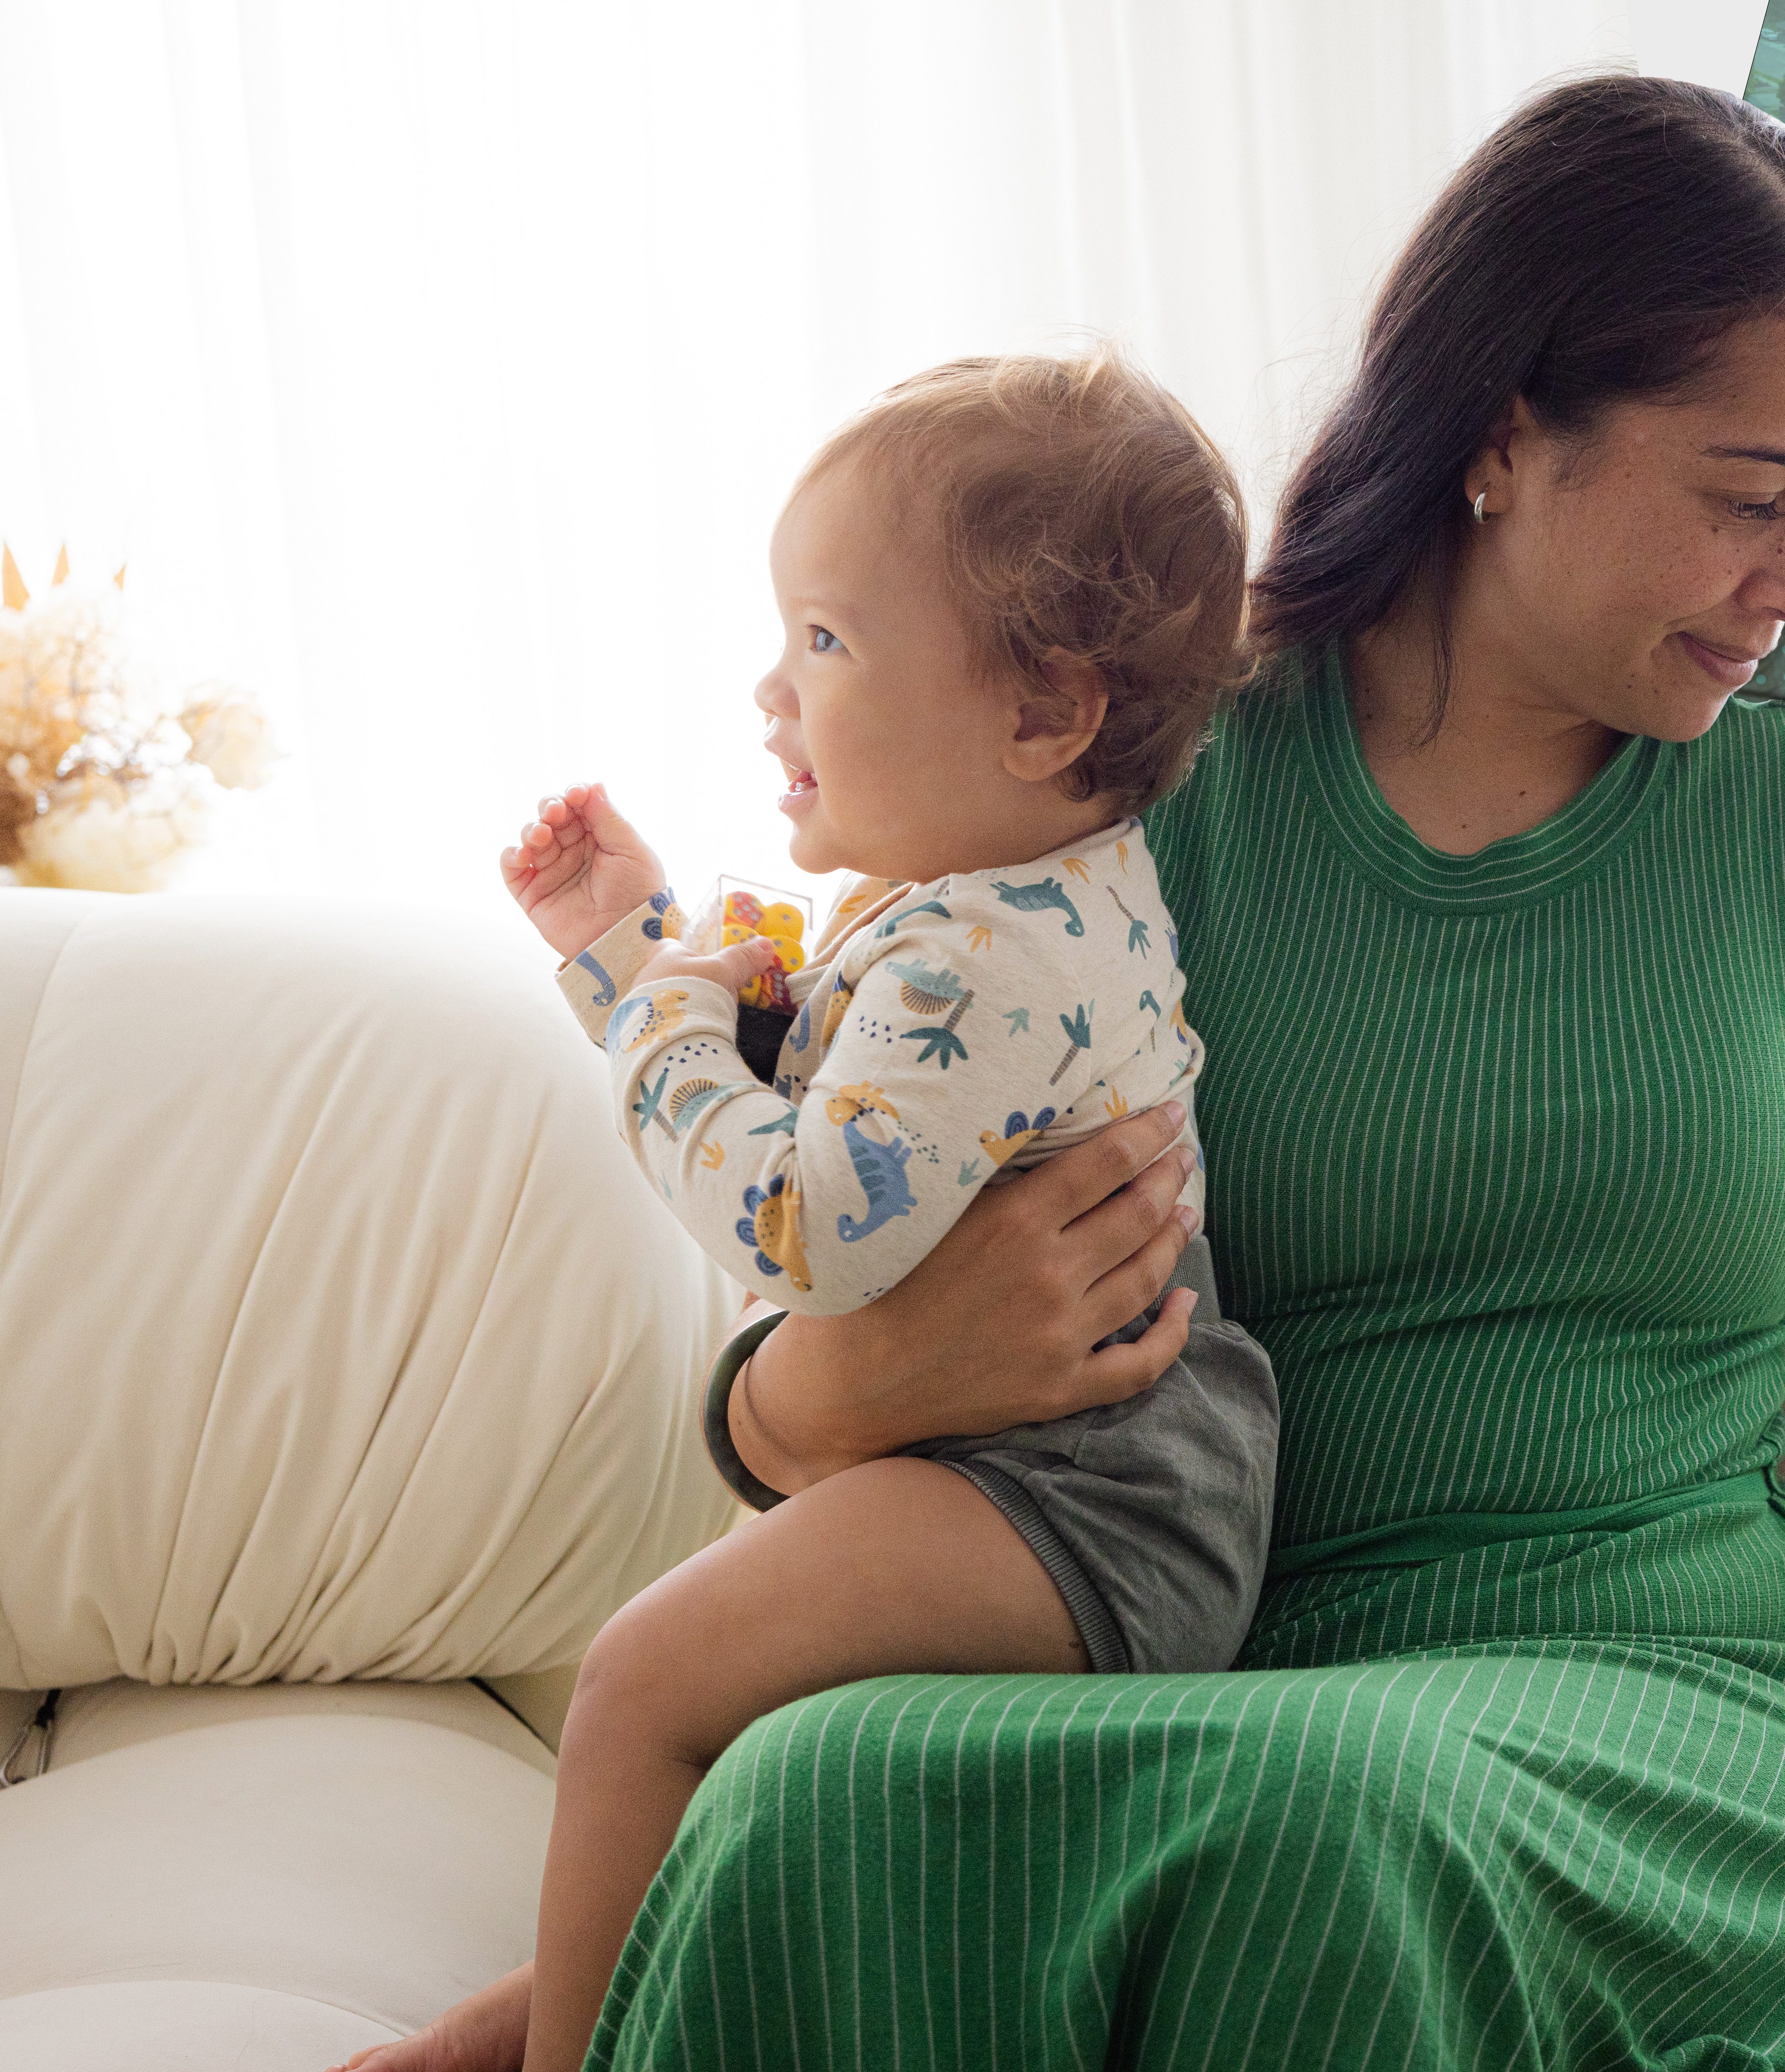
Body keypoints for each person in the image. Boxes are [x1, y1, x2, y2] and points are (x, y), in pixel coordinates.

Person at [351, 74, 1785, 2072]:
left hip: (1675, 1734)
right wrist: (831, 1396)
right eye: (1751, 497)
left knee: (1331, 1826)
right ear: (1502, 435)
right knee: (834, 1796)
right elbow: (827, 1328)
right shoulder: (1113, 798)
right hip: (1175, 1694)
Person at [418, 350, 1282, 2072]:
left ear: (1043, 715)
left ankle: (563, 2053)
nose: (770, 692)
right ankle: (568, 1997)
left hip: (1093, 1495)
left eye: (826, 641)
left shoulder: (982, 957)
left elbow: (802, 1230)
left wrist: (661, 1021)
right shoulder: (987, 902)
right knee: (732, 1696)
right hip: (1050, 1462)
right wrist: (633, 948)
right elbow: (807, 1094)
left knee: (649, 1685)